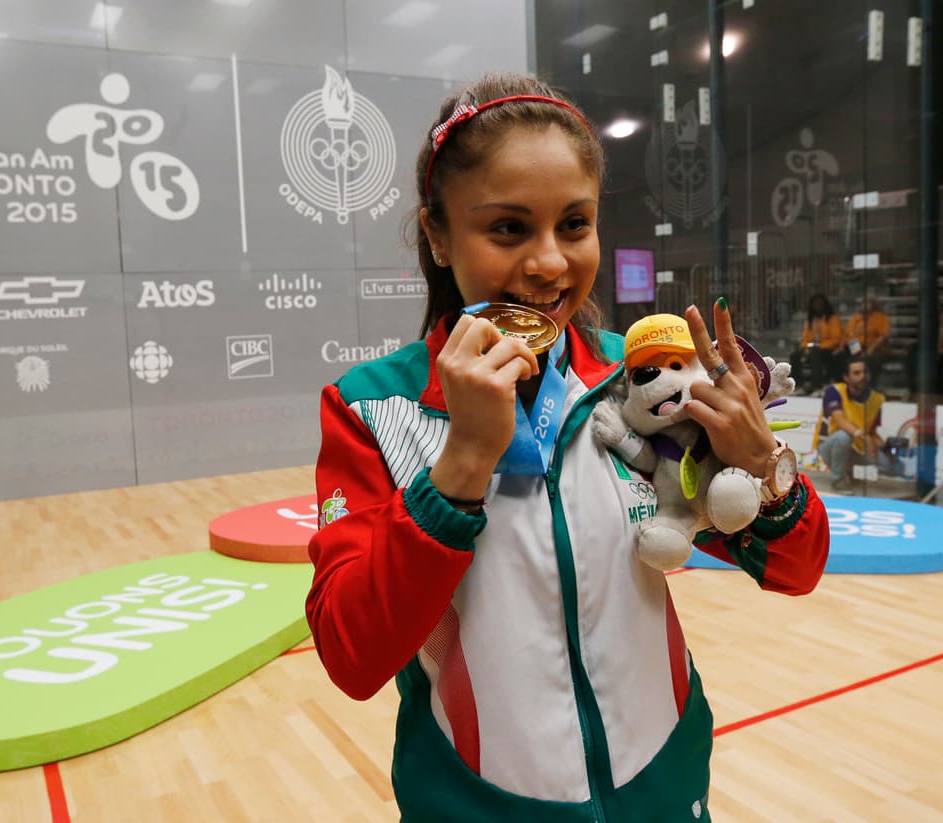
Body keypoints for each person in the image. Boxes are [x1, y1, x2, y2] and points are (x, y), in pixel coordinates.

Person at [305, 73, 830, 822]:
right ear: (438, 232)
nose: (550, 263)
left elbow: (796, 569)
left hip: (663, 784)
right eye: (509, 228)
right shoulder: (369, 408)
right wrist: (460, 465)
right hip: (475, 805)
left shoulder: (640, 379)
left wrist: (760, 463)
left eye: (574, 224)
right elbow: (352, 656)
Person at [814, 356, 896, 493]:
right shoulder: (834, 391)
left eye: (864, 372)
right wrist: (865, 437)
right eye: (857, 373)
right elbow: (840, 421)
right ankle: (838, 480)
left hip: (858, 446)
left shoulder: (876, 399)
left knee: (889, 464)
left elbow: (872, 432)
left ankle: (848, 473)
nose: (862, 376)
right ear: (846, 377)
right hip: (829, 445)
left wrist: (885, 447)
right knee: (843, 437)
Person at [789, 294, 844, 394]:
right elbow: (805, 339)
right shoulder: (811, 320)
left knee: (815, 353)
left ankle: (817, 386)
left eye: (820, 304)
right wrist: (807, 347)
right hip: (812, 348)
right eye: (815, 304)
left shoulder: (832, 319)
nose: (817, 306)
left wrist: (819, 346)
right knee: (795, 355)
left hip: (829, 350)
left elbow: (836, 339)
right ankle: (799, 385)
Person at [843, 295, 891, 387]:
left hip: (876, 348)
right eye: (863, 303)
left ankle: (870, 387)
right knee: (844, 357)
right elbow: (849, 335)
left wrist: (871, 349)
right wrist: (856, 350)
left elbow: (883, 336)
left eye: (868, 302)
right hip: (857, 347)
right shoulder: (855, 318)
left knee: (870, 360)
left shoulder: (881, 318)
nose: (865, 305)